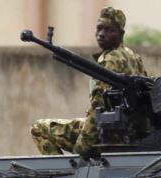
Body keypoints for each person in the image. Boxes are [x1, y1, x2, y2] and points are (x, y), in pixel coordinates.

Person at [29, 7, 148, 156]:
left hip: (107, 133)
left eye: (109, 30)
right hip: (129, 132)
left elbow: (98, 105)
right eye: (99, 28)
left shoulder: (110, 59)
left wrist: (83, 145)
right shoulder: (134, 57)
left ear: (121, 34)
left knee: (38, 128)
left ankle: (63, 176)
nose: (101, 34)